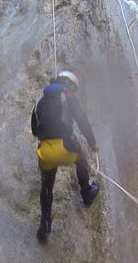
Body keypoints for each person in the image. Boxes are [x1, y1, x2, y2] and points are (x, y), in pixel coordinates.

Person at [31, 70, 100, 242]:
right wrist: (92, 142)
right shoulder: (67, 95)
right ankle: (86, 192)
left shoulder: (39, 102)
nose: (73, 91)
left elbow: (34, 130)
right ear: (68, 83)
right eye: (73, 87)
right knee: (81, 158)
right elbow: (81, 119)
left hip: (45, 152)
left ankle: (45, 224)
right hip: (65, 148)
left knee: (47, 186)